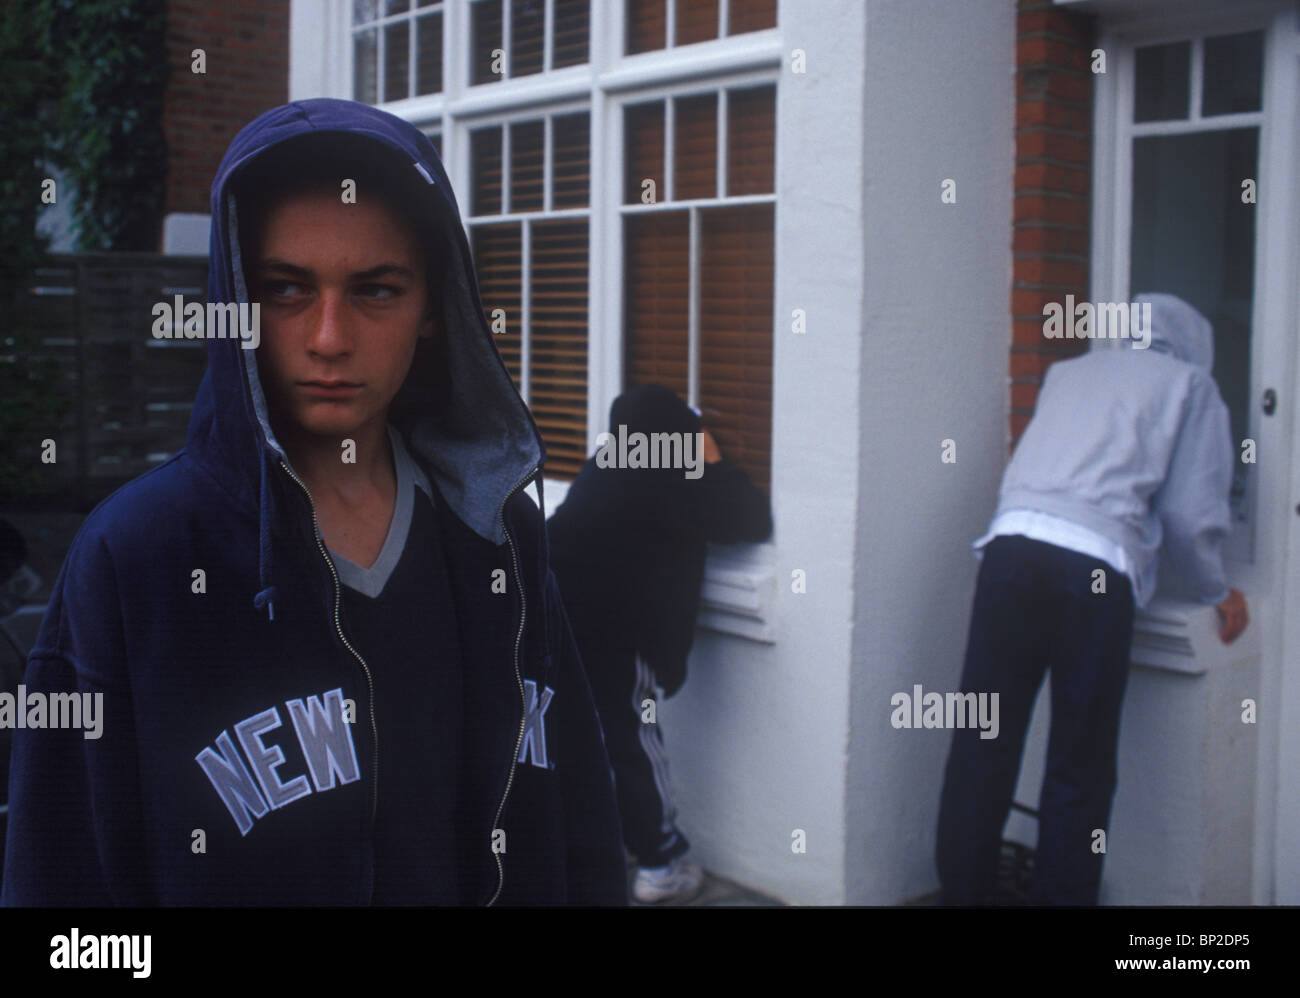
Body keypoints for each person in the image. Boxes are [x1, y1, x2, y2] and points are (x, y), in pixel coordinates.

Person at [1, 99, 625, 905]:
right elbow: (63, 889)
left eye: (376, 290)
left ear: (435, 307)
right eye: (287, 290)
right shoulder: (137, 555)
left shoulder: (498, 534)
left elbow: (581, 828)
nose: (329, 337)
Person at [934, 292, 1249, 906]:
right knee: (1079, 758)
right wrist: (1217, 588)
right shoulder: (1189, 385)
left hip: (1010, 550)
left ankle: (963, 894)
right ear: (1195, 345)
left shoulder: (1069, 372)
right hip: (1094, 568)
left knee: (983, 739)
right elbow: (1189, 513)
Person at [546, 384, 772, 903]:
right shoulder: (674, 478)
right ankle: (661, 860)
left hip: (559, 612)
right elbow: (751, 520)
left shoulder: (608, 463)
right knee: (632, 740)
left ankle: (584, 848)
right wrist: (713, 460)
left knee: (579, 736)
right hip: (616, 629)